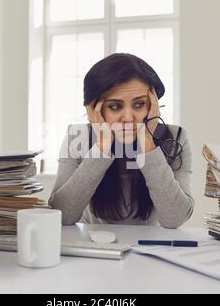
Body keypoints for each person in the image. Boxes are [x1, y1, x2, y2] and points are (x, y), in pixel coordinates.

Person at [48, 53, 194, 228]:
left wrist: (147, 142)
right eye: (115, 106)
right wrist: (102, 146)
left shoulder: (175, 137)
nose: (127, 118)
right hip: (92, 244)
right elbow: (62, 215)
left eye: (139, 104)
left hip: (151, 247)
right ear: (94, 108)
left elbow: (175, 218)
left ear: (153, 105)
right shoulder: (77, 137)